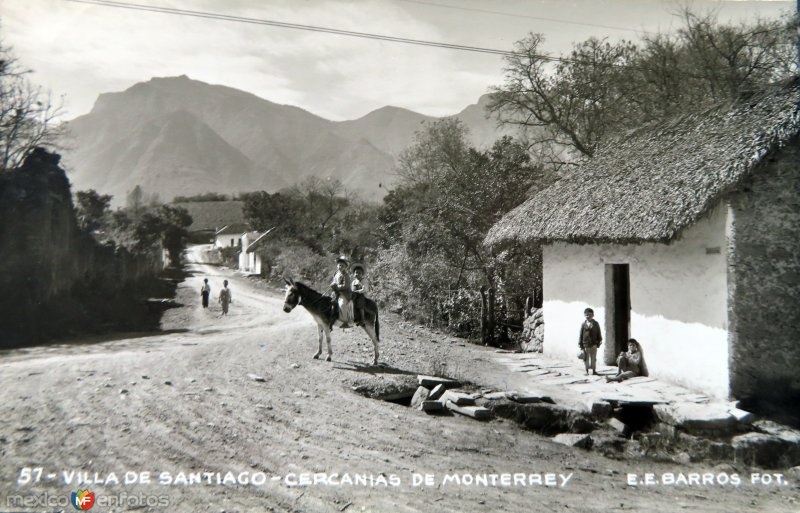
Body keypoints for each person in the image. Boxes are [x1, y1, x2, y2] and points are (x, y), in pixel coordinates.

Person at [330, 255, 353, 328]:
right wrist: (332, 284)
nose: (341, 267)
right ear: (337, 266)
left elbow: (346, 286)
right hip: (336, 292)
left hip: (344, 293)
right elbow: (334, 281)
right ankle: (331, 317)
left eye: (343, 266)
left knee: (341, 304)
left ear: (346, 267)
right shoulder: (336, 273)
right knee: (329, 301)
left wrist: (337, 286)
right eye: (340, 265)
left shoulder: (346, 275)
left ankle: (344, 322)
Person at [578, 307, 602, 375]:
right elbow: (581, 334)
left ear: (593, 315)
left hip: (594, 343)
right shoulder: (583, 324)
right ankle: (586, 370)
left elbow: (599, 332)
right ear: (584, 315)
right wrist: (580, 343)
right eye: (586, 315)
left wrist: (599, 340)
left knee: (593, 358)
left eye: (589, 315)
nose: (588, 316)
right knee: (586, 358)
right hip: (585, 344)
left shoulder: (596, 323)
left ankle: (594, 370)